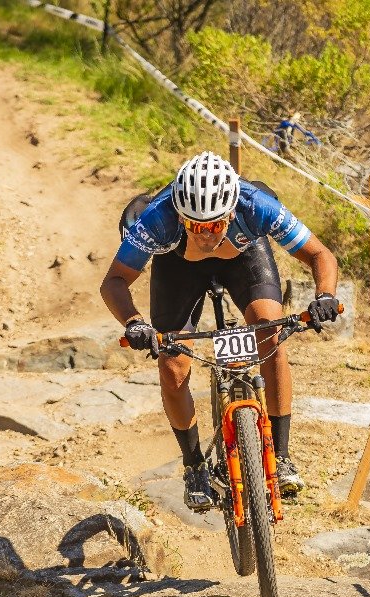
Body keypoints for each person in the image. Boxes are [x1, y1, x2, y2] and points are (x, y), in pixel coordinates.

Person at [100, 151, 341, 512]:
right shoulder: (159, 219)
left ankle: (282, 454)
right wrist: (135, 322)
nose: (205, 235)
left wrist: (325, 295)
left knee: (269, 334)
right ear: (180, 216)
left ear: (230, 212)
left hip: (244, 259)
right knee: (173, 363)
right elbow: (114, 281)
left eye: (214, 225)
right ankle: (194, 466)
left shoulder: (255, 206)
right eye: (195, 226)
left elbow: (320, 254)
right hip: (178, 269)